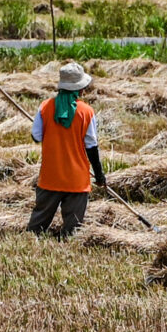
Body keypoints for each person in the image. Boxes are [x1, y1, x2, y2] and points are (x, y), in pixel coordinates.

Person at [28, 61, 106, 237]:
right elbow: (91, 147)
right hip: (76, 180)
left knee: (37, 226)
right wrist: (99, 175)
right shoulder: (86, 112)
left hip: (50, 177)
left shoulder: (45, 107)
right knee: (73, 230)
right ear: (80, 89)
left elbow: (36, 136)